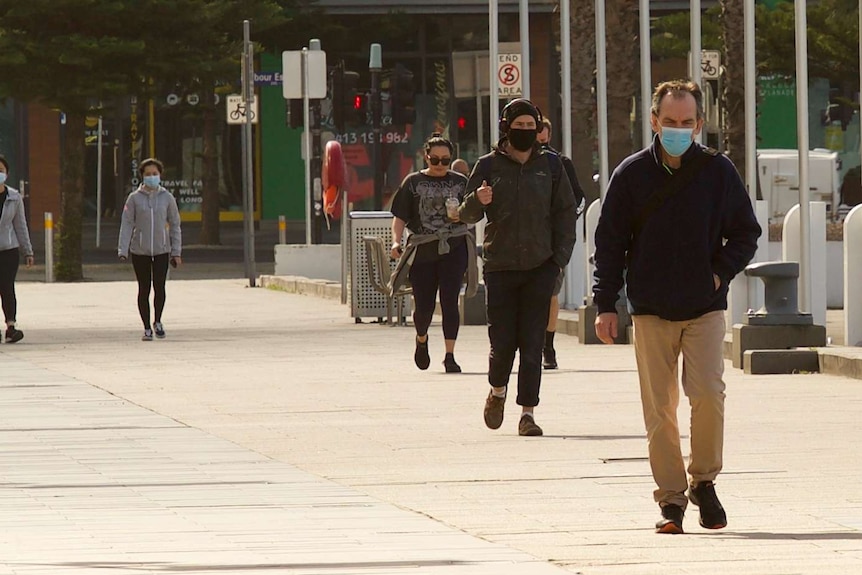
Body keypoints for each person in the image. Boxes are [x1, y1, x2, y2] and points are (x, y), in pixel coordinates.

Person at [592, 80, 761, 534]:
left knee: (708, 394)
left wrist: (717, 272)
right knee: (659, 409)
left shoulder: (718, 171)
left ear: (700, 124)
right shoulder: (630, 175)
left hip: (704, 307)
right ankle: (671, 501)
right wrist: (605, 302)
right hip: (649, 309)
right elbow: (608, 243)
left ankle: (703, 480)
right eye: (670, 122)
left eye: (687, 123)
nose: (678, 130)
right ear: (654, 121)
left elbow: (746, 233)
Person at [460, 99, 577, 436]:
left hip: (541, 266)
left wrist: (558, 260)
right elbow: (466, 215)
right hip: (500, 266)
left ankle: (528, 413)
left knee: (532, 341)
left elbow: (565, 213)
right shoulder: (487, 166)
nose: (526, 132)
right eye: (520, 126)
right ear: (506, 127)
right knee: (502, 342)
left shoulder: (552, 167)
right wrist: (476, 201)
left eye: (532, 126)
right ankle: (497, 390)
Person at [390, 134, 475, 373]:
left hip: (454, 246)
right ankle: (422, 338)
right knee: (424, 305)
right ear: (425, 156)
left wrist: (464, 215)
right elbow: (400, 217)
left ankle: (450, 354)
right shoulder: (413, 182)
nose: (439, 165)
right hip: (424, 248)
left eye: (445, 160)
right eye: (435, 159)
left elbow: (473, 212)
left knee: (450, 301)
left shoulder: (460, 182)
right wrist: (396, 242)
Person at [536, 117, 585, 369]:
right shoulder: (510, 163)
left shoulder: (560, 164)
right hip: (519, 240)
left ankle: (548, 346)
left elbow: (579, 198)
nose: (540, 148)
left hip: (552, 241)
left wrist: (565, 222)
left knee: (551, 293)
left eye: (544, 142)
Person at [118, 158, 182, 341]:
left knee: (159, 286)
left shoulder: (167, 198)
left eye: (155, 174)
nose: (152, 177)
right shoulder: (134, 198)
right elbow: (127, 223)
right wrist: (123, 249)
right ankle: (146, 326)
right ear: (142, 177)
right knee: (144, 288)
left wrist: (176, 252)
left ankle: (158, 321)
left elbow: (175, 224)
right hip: (140, 251)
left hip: (162, 250)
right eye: (148, 174)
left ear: (160, 175)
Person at [0, 155, 34, 343]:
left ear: (7, 173)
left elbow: (20, 225)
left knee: (7, 287)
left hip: (8, 250)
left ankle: (11, 326)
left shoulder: (14, 197)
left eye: (1, 171)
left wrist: (27, 251)